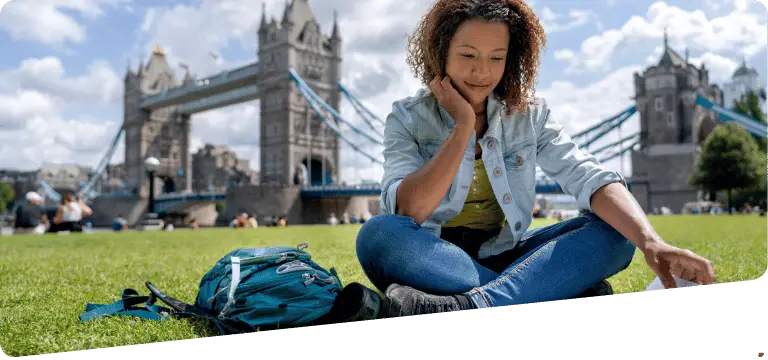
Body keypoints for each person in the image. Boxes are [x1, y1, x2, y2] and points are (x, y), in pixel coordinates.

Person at [351, 0, 715, 320]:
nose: (482, 72)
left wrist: (652, 242)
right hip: (433, 257)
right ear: (440, 51)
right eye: (467, 55)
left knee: (618, 234)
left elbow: (587, 175)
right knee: (378, 235)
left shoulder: (530, 115)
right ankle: (549, 293)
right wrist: (463, 126)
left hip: (509, 256)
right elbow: (409, 209)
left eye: (496, 57)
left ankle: (470, 305)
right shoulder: (407, 116)